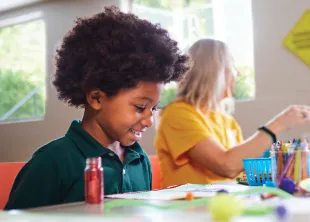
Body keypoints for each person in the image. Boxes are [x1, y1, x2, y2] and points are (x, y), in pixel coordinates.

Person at [5, 6, 189, 210]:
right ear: (96, 98)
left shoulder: (139, 160)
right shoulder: (52, 162)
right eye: (140, 107)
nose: (149, 120)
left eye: (153, 109)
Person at [154, 38, 310, 188]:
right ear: (214, 72)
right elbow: (227, 165)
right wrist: (280, 123)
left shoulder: (227, 121)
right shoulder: (177, 115)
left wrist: (306, 154)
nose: (237, 73)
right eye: (232, 66)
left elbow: (244, 172)